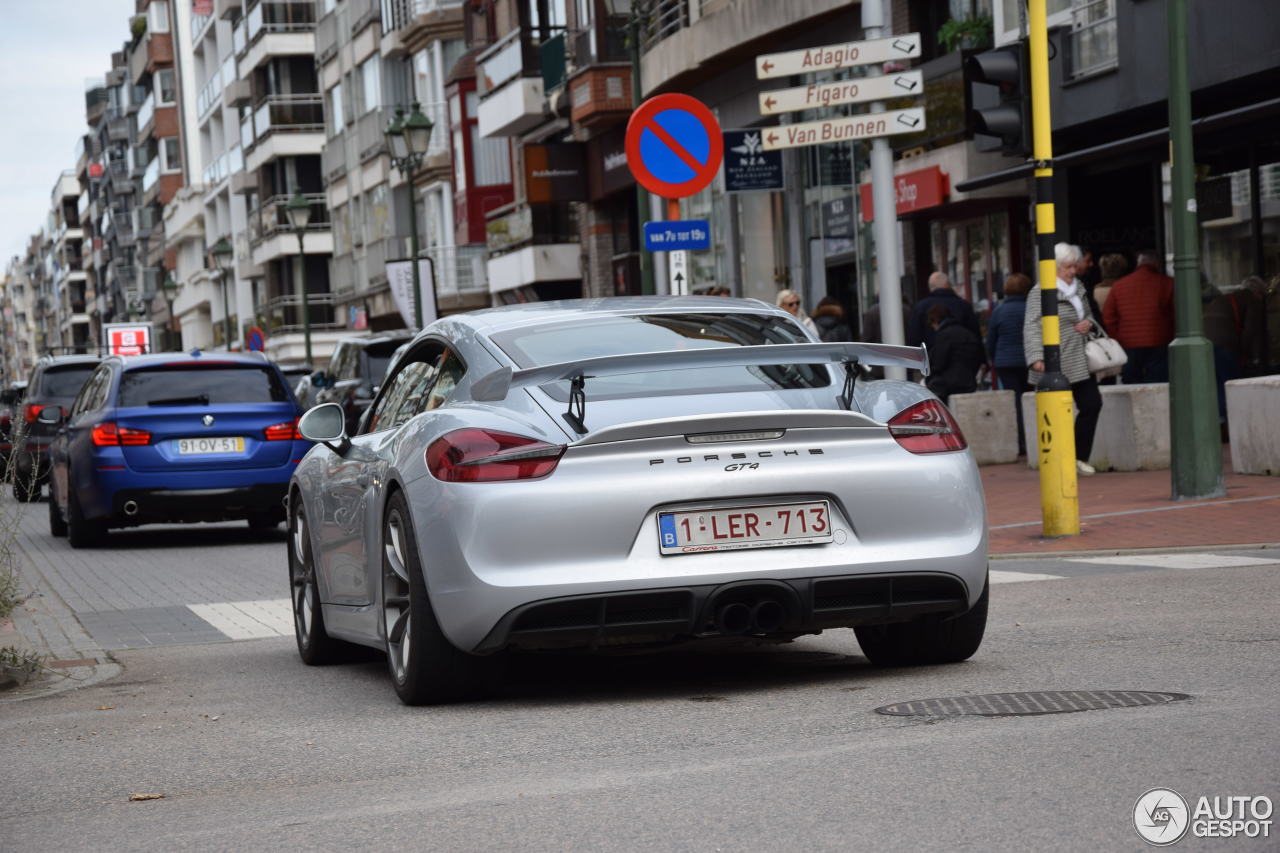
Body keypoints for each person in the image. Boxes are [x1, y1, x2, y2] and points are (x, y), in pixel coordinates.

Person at [1024, 243, 1104, 476]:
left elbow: (1089, 315)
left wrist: (1089, 324)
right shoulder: (1040, 291)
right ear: (1055, 267)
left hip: (1079, 357)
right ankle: (1059, 459)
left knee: (1092, 404)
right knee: (1056, 412)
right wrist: (1036, 358)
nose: (1073, 271)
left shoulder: (1078, 287)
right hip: (1054, 359)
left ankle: (1078, 457)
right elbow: (1031, 325)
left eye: (1074, 266)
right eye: (1068, 267)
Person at [1102, 250, 1174, 383]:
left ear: (1138, 263)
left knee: (1131, 382)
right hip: (1159, 341)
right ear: (1156, 264)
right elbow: (1176, 314)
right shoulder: (1167, 283)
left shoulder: (1119, 286)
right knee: (1159, 382)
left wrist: (1118, 339)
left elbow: (1108, 317)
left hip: (1129, 344)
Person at [986, 273, 1031, 456]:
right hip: (1029, 361)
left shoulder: (999, 311)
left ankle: (1019, 442)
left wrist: (992, 359)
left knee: (1015, 402)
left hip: (1005, 362)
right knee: (1030, 400)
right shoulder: (1031, 308)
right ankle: (1031, 440)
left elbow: (991, 340)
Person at [925, 303, 984, 405]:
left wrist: (928, 377)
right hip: (969, 383)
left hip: (947, 386)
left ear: (935, 320)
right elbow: (978, 357)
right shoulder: (968, 333)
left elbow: (939, 363)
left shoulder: (944, 335)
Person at [906, 271, 980, 350]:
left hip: (931, 359)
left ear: (931, 287)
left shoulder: (920, 308)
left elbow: (913, 339)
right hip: (963, 358)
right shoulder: (964, 306)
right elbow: (975, 335)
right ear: (947, 284)